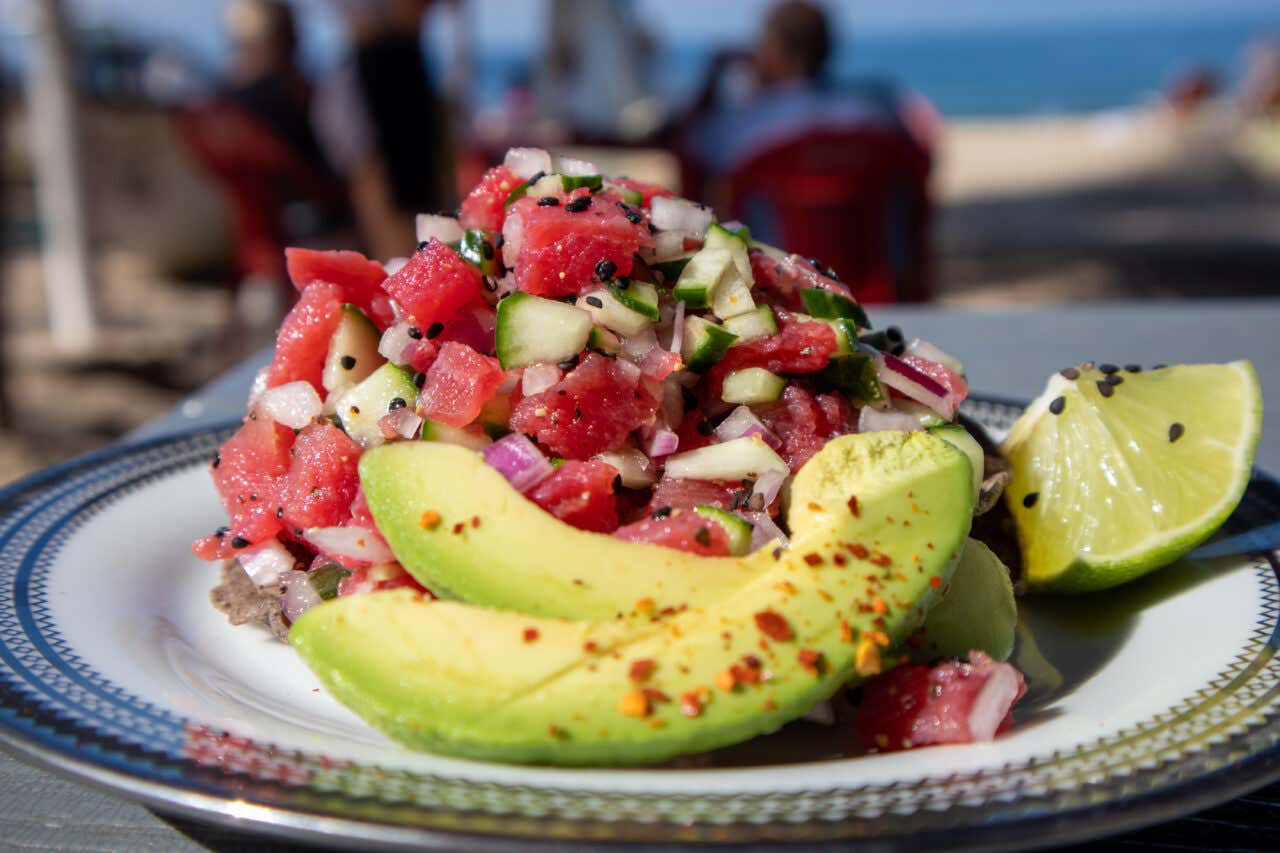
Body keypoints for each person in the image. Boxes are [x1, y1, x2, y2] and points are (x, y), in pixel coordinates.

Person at [680, 1, 936, 302]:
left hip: (783, 297)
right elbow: (921, 162)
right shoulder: (880, 106)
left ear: (770, 51)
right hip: (886, 292)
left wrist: (712, 81)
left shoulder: (744, 124)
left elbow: (689, 161)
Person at [314, 0, 456, 261]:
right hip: (380, 69)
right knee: (384, 195)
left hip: (395, 66)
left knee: (414, 208)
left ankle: (399, 273)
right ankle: (396, 275)